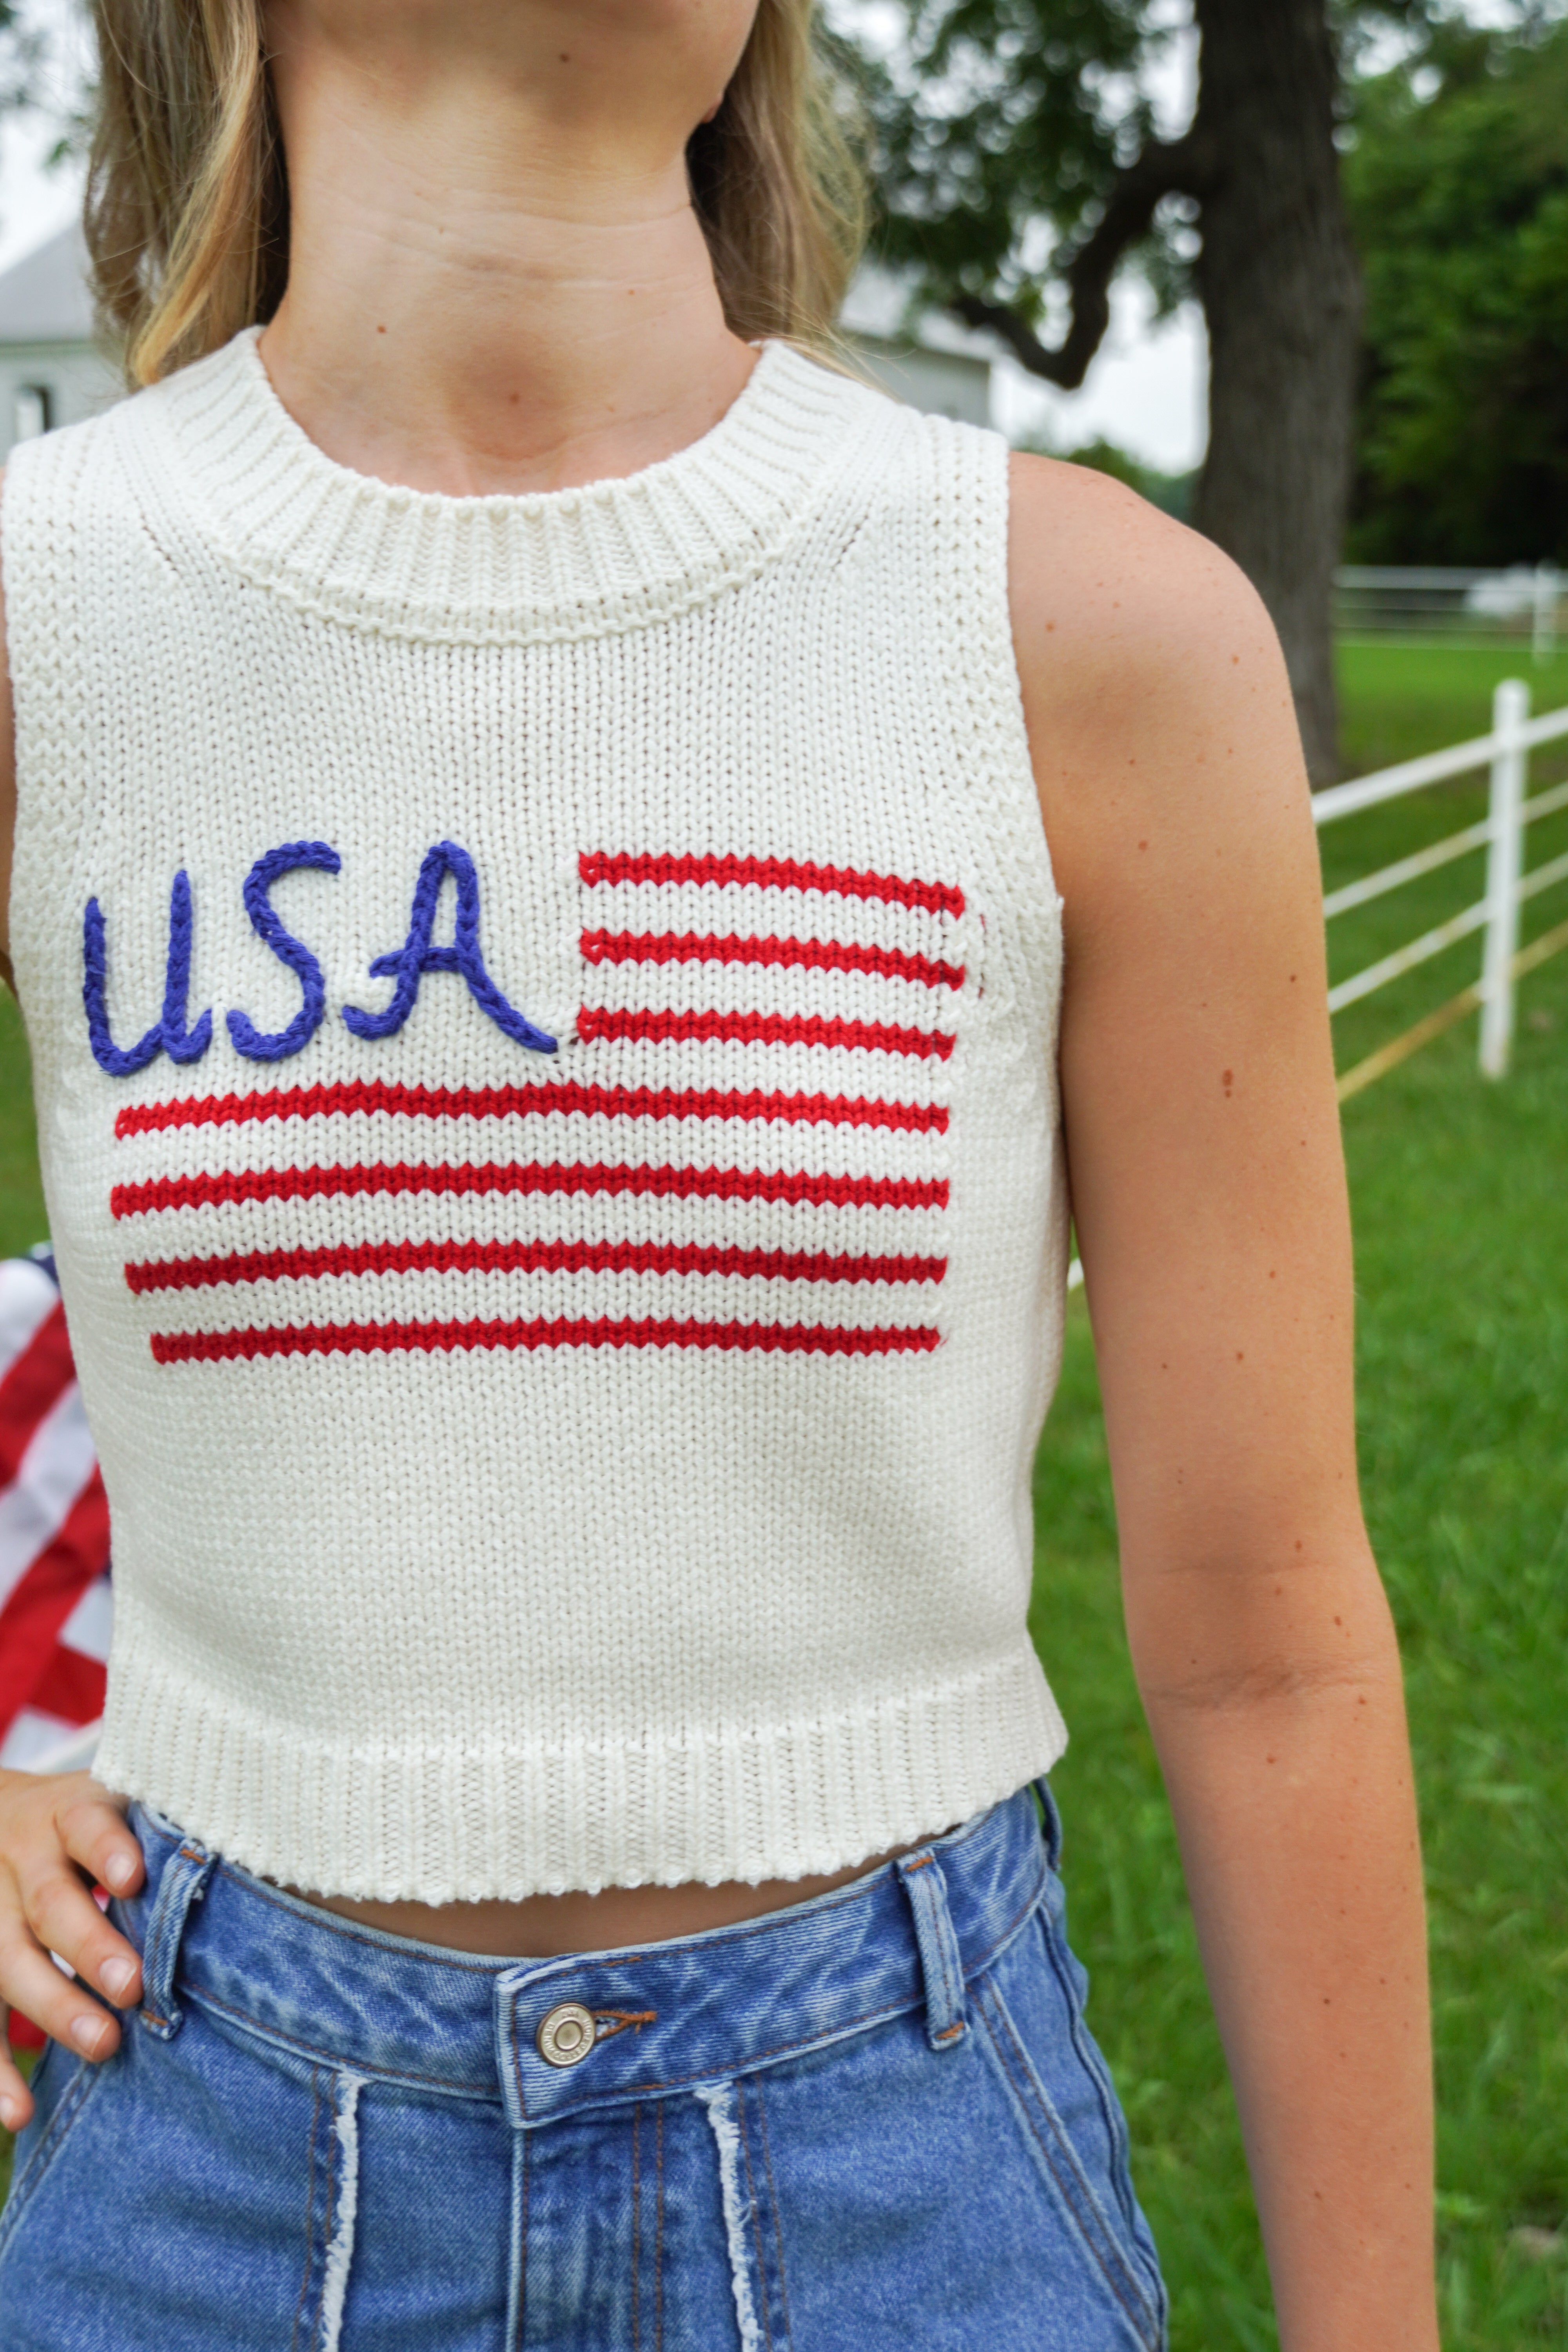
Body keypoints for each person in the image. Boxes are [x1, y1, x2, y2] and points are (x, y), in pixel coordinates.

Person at [0, 2, 1436, 2345]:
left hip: (910, 2182)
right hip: (198, 2162)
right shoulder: (42, 615)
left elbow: (1270, 1629)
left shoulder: (1091, 634)